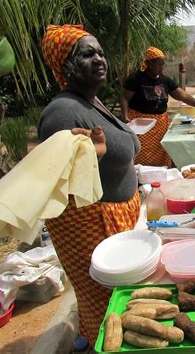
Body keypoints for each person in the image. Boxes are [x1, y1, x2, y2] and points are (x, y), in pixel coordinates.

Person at [39, 24, 141, 346]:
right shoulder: (62, 113)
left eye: (99, 52)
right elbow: (59, 177)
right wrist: (90, 158)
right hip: (93, 228)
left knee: (116, 302)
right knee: (108, 305)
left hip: (113, 221)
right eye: (86, 54)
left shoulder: (90, 102)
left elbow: (120, 149)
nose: (98, 58)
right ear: (66, 66)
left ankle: (92, 338)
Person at [121, 47, 195, 167]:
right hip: (140, 125)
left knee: (160, 154)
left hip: (160, 125)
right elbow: (125, 98)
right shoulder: (135, 79)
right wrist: (125, 116)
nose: (162, 67)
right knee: (141, 154)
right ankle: (140, 179)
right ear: (150, 64)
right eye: (160, 64)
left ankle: (158, 175)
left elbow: (183, 96)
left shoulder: (165, 80)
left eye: (163, 64)